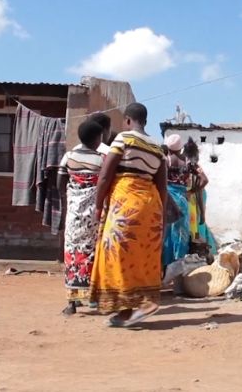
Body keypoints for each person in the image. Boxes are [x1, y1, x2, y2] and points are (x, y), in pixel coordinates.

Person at [89, 102, 167, 327]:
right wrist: (160, 216)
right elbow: (162, 186)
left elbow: (105, 175)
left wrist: (97, 205)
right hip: (150, 206)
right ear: (146, 121)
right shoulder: (157, 147)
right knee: (143, 257)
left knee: (117, 255)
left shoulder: (124, 139)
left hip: (126, 205)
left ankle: (130, 310)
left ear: (128, 120)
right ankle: (143, 302)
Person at [58, 120, 105, 316]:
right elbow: (105, 185)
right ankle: (93, 298)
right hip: (94, 215)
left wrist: (72, 198)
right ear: (98, 139)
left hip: (74, 213)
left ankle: (72, 302)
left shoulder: (69, 157)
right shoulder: (102, 160)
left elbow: (60, 183)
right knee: (92, 253)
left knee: (72, 252)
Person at [161, 134, 191, 273]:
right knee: (181, 232)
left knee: (166, 231)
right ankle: (179, 266)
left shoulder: (165, 161)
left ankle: (165, 266)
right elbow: (203, 179)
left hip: (168, 198)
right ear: (180, 148)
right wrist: (191, 191)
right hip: (183, 199)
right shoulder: (188, 162)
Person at [184, 137, 217, 256]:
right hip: (195, 199)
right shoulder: (193, 166)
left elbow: (204, 181)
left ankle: (197, 250)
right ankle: (197, 250)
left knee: (194, 227)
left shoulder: (190, 166)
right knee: (196, 226)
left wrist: (191, 191)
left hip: (193, 199)